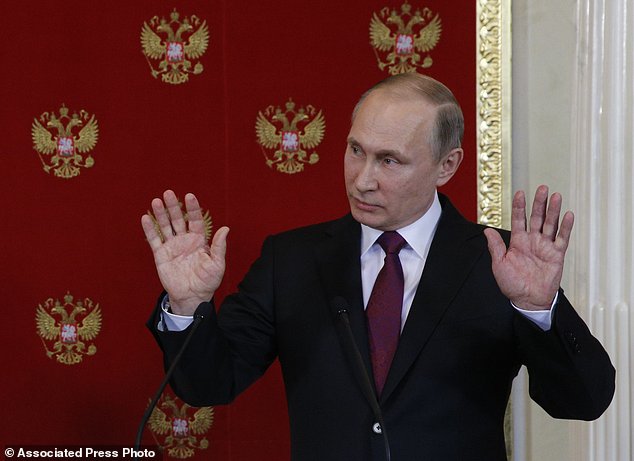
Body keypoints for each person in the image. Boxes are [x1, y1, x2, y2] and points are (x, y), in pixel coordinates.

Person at [142, 73, 615, 461]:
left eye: (390, 160)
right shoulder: (292, 260)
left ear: (446, 166)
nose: (362, 180)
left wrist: (539, 308)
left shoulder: (499, 263)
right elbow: (208, 384)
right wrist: (187, 305)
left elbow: (583, 402)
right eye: (355, 151)